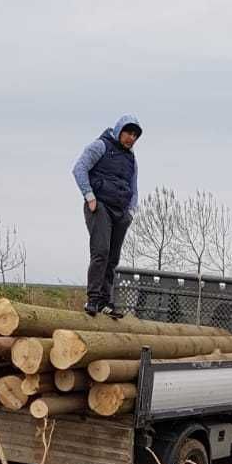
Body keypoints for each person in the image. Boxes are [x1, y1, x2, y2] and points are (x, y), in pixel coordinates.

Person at [71, 116, 143, 317]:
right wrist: (89, 195)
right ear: (120, 130)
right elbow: (79, 168)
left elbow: (134, 187)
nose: (131, 138)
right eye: (129, 133)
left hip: (121, 211)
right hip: (100, 206)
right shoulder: (101, 146)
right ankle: (93, 299)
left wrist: (131, 211)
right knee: (101, 251)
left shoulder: (131, 159)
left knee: (113, 258)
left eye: (135, 136)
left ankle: (105, 302)